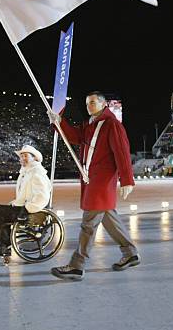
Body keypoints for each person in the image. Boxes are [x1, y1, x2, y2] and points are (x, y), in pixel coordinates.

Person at [48, 91, 139, 281]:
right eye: (87, 103)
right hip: (91, 179)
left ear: (104, 104)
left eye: (92, 103)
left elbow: (122, 151)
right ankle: (130, 253)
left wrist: (127, 179)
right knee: (108, 218)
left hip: (102, 180)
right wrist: (58, 121)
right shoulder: (90, 125)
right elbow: (73, 136)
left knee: (88, 223)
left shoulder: (112, 124)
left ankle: (76, 265)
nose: (89, 106)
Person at [0, 146, 50, 257]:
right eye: (21, 156)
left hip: (31, 211)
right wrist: (15, 203)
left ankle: (2, 247)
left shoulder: (36, 173)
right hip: (26, 208)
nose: (22, 158)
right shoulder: (27, 173)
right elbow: (25, 195)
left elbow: (42, 197)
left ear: (34, 158)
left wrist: (27, 208)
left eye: (26, 156)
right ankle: (1, 246)